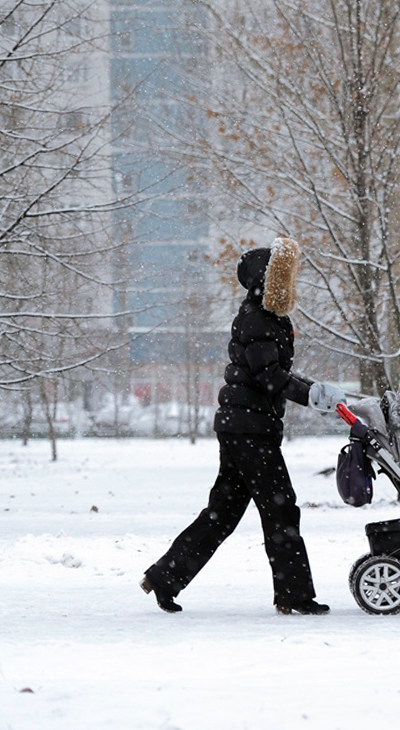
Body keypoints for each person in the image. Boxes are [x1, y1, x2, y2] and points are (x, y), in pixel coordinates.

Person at [141, 238, 347, 614]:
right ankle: (294, 595)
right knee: (281, 510)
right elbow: (269, 376)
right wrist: (312, 395)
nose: (289, 285)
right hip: (249, 431)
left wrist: (314, 390)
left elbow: (275, 373)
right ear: (266, 282)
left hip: (246, 427)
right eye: (282, 278)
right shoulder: (257, 318)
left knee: (222, 513)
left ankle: (163, 577)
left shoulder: (267, 317)